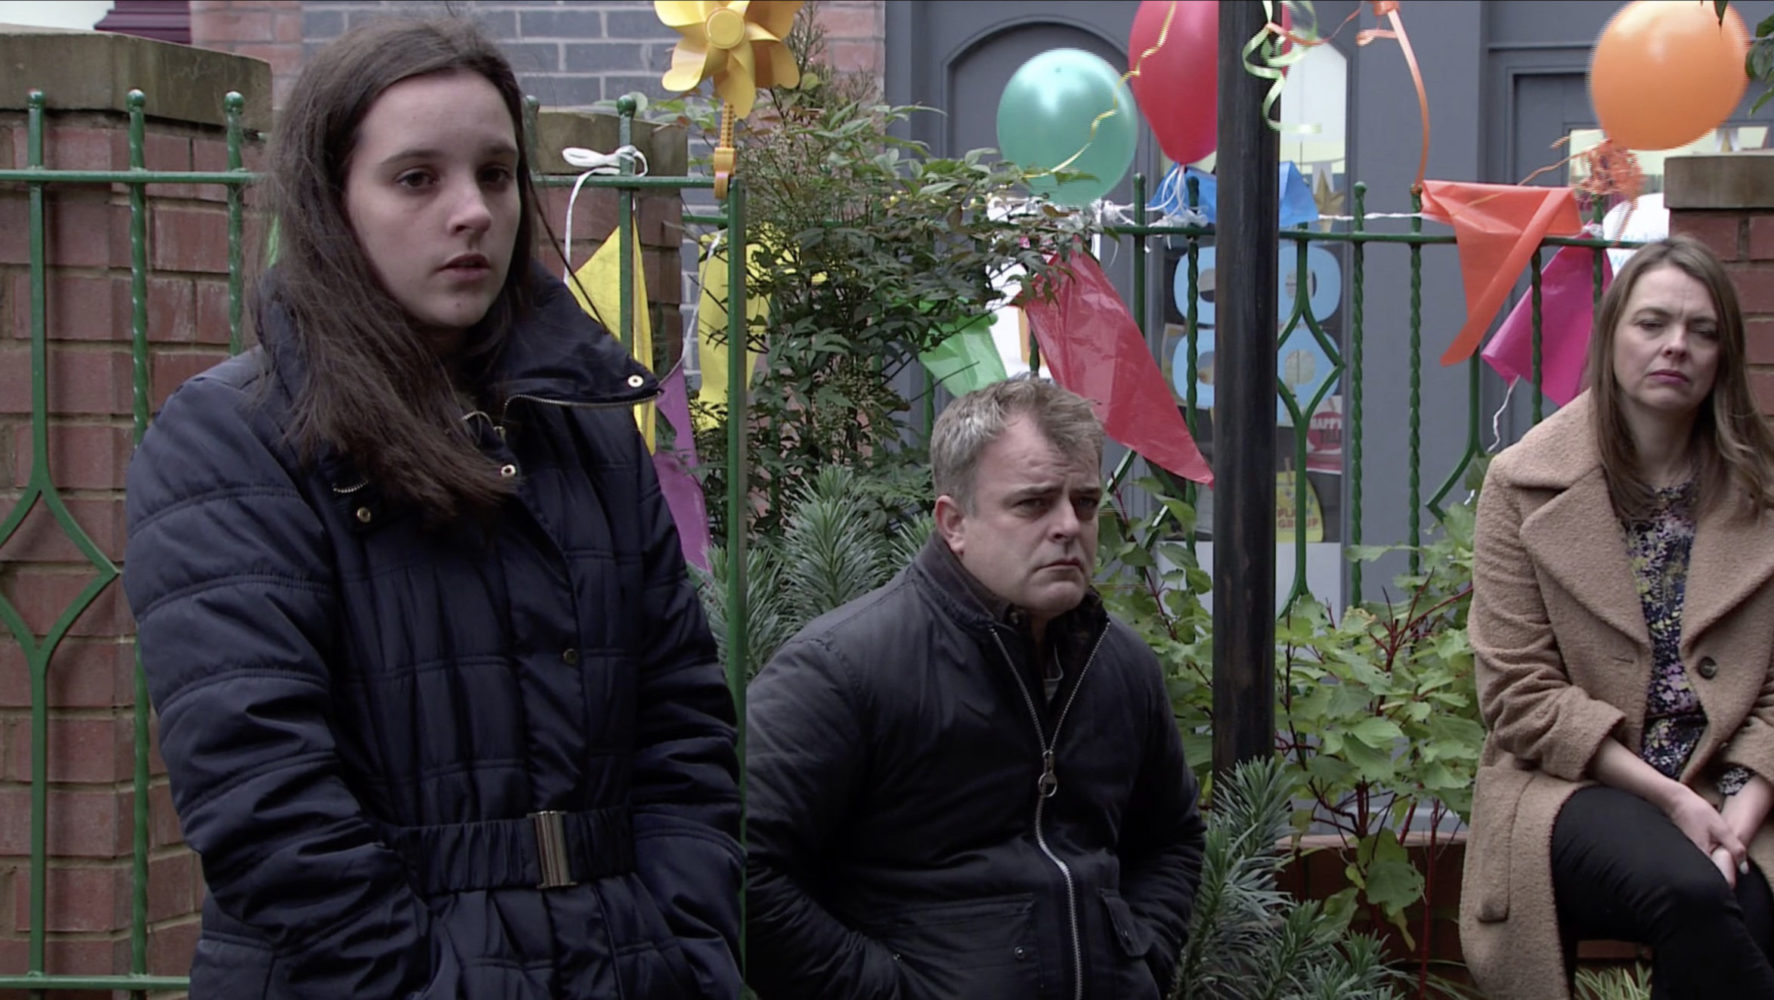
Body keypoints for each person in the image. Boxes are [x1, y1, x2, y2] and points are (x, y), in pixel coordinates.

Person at [122, 18, 740, 999]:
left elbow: (683, 730)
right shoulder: (235, 442)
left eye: (497, 175)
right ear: (334, 204)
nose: (473, 213)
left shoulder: (580, 428)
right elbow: (268, 808)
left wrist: (684, 946)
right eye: (417, 179)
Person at [744, 376, 1206, 1000]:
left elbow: (1170, 839)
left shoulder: (1120, 666)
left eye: (1086, 502)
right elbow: (740, 867)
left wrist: (1139, 963)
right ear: (954, 522)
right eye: (1033, 503)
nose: (1069, 525)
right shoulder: (840, 670)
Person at [1460, 236, 1774, 999]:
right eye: (1652, 323)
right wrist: (1669, 800)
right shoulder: (1522, 483)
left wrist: (1733, 820)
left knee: (1750, 903)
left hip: (1733, 790)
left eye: (1702, 331)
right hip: (1572, 788)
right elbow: (1518, 696)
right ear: (1610, 337)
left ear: (1725, 354)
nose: (1676, 346)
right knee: (1691, 891)